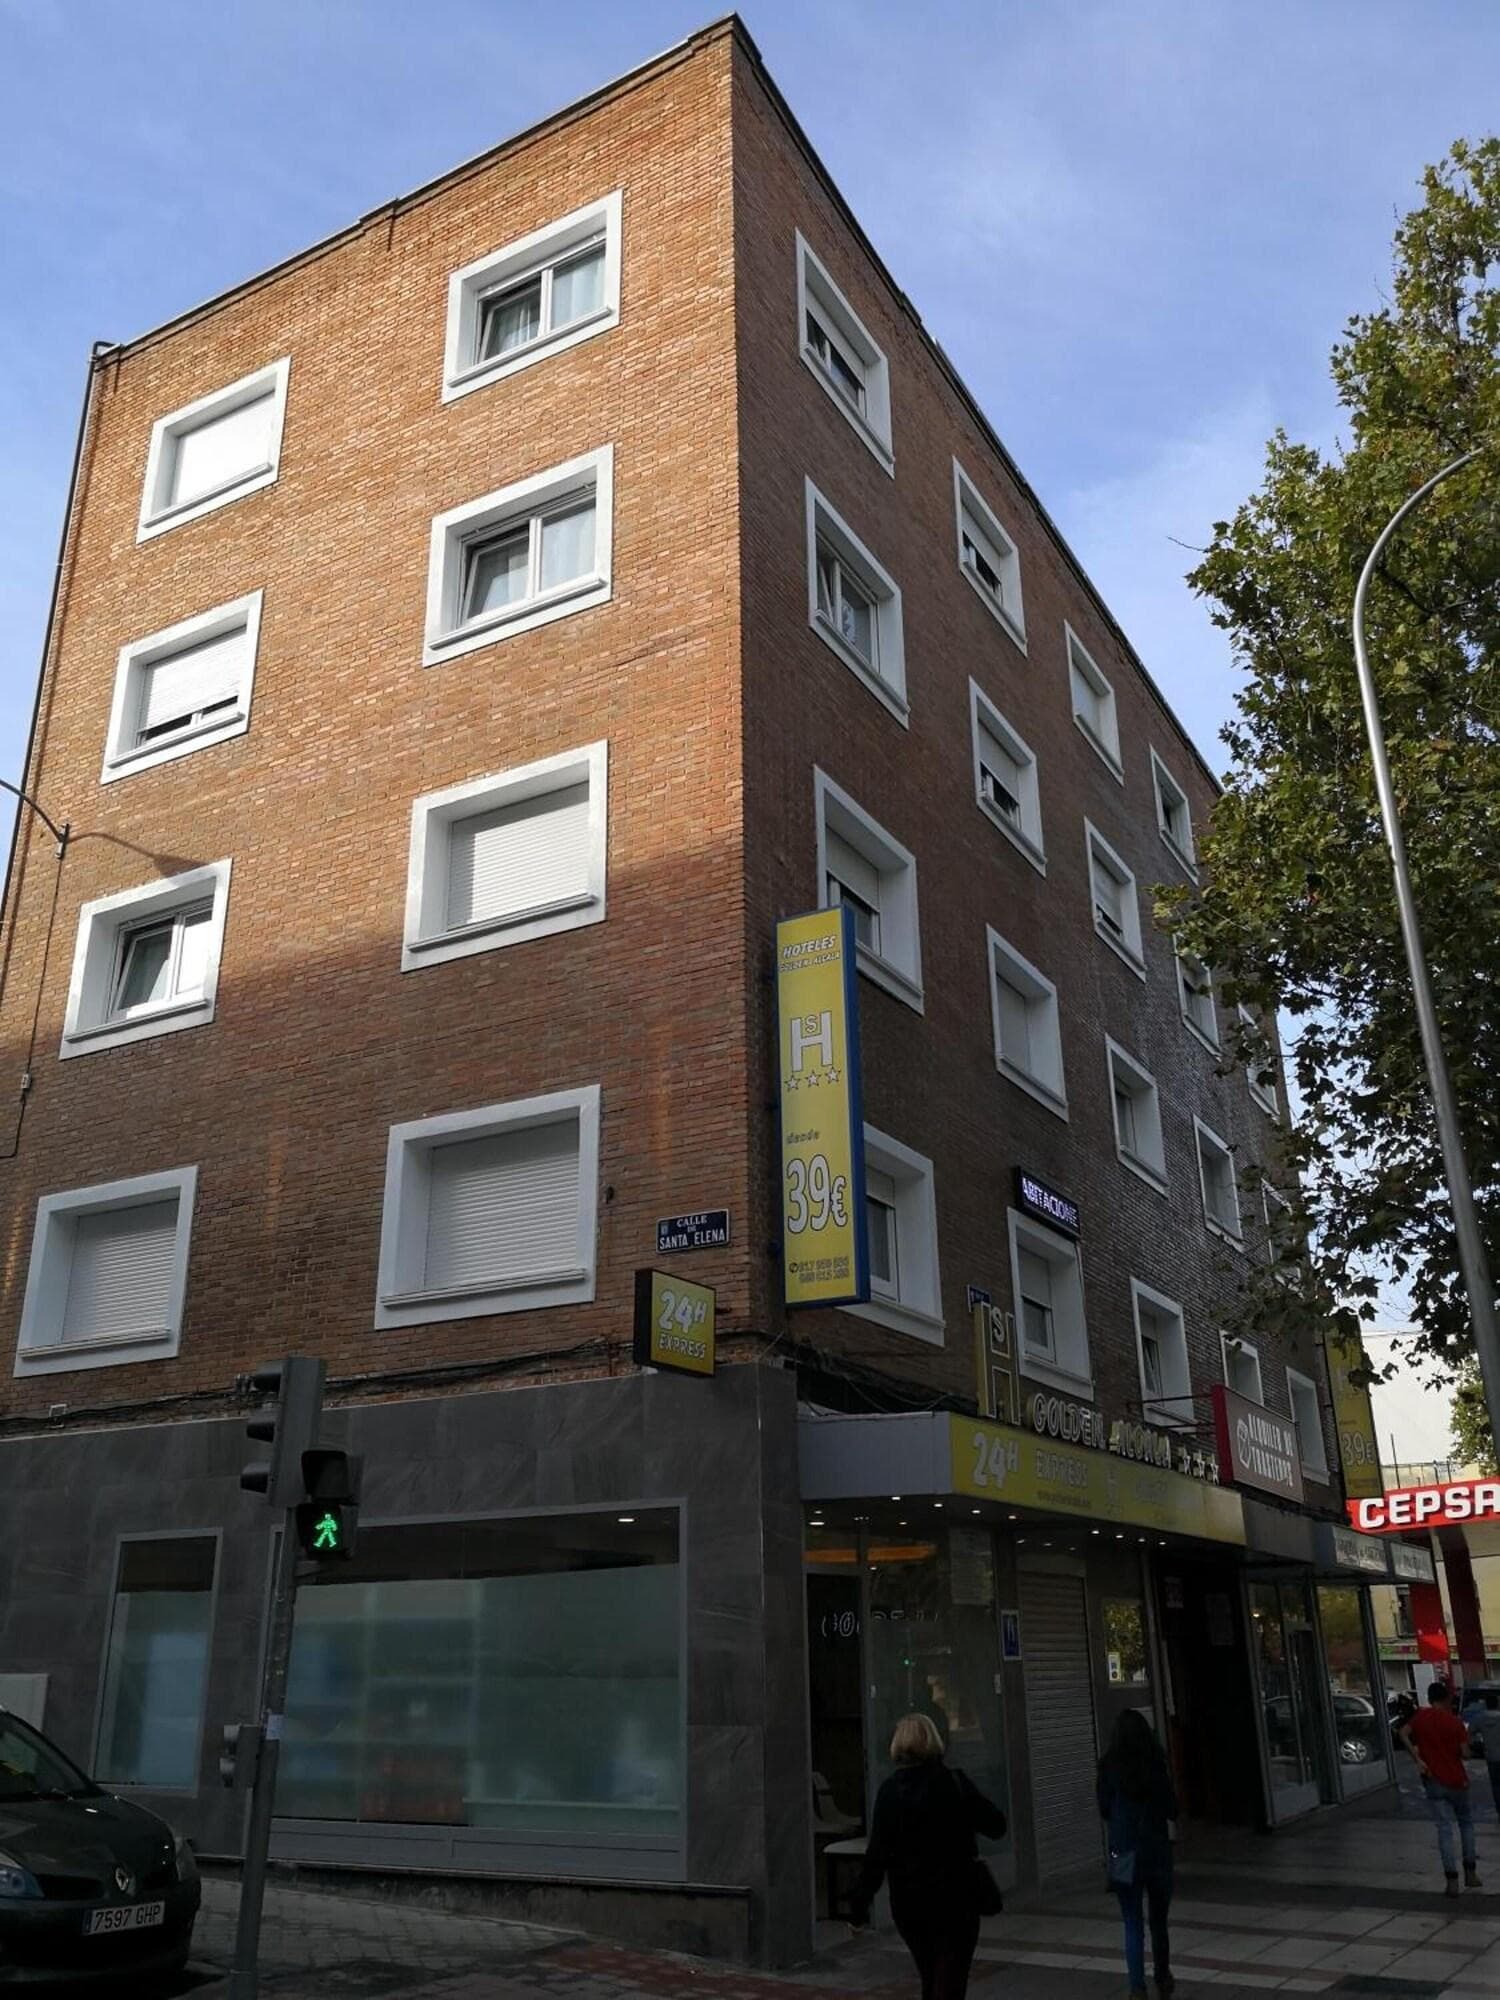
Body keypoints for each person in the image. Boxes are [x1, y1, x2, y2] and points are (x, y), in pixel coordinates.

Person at [848, 1712, 1006, 2000]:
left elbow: (876, 1856)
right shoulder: (954, 1783)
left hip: (910, 1904)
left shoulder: (889, 1792)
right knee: (950, 1979)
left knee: (930, 1975)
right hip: (957, 1900)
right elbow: (997, 1825)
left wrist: (858, 1908)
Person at [1097, 1709, 1177, 2000]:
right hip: (1156, 1850)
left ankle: (1136, 1988)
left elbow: (1104, 1808)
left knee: (1131, 1921)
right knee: (1159, 1919)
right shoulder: (1156, 1764)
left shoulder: (1107, 1767)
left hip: (1122, 1853)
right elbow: (1172, 1809)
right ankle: (1163, 1976)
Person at [1400, 1682, 1481, 1895]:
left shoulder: (1420, 1718)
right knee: (1466, 1824)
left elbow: (1403, 1733)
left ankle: (1451, 1880)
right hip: (1457, 1780)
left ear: (1429, 1698)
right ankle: (1470, 1872)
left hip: (1433, 1780)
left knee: (1444, 1829)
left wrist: (1417, 1758)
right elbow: (1465, 1753)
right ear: (1446, 1699)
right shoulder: (1454, 1723)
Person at [1458, 1687, 1500, 1818]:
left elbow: (1469, 1733)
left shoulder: (1480, 1719)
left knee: (1496, 1785)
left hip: (1491, 1756)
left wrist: (1472, 1747)